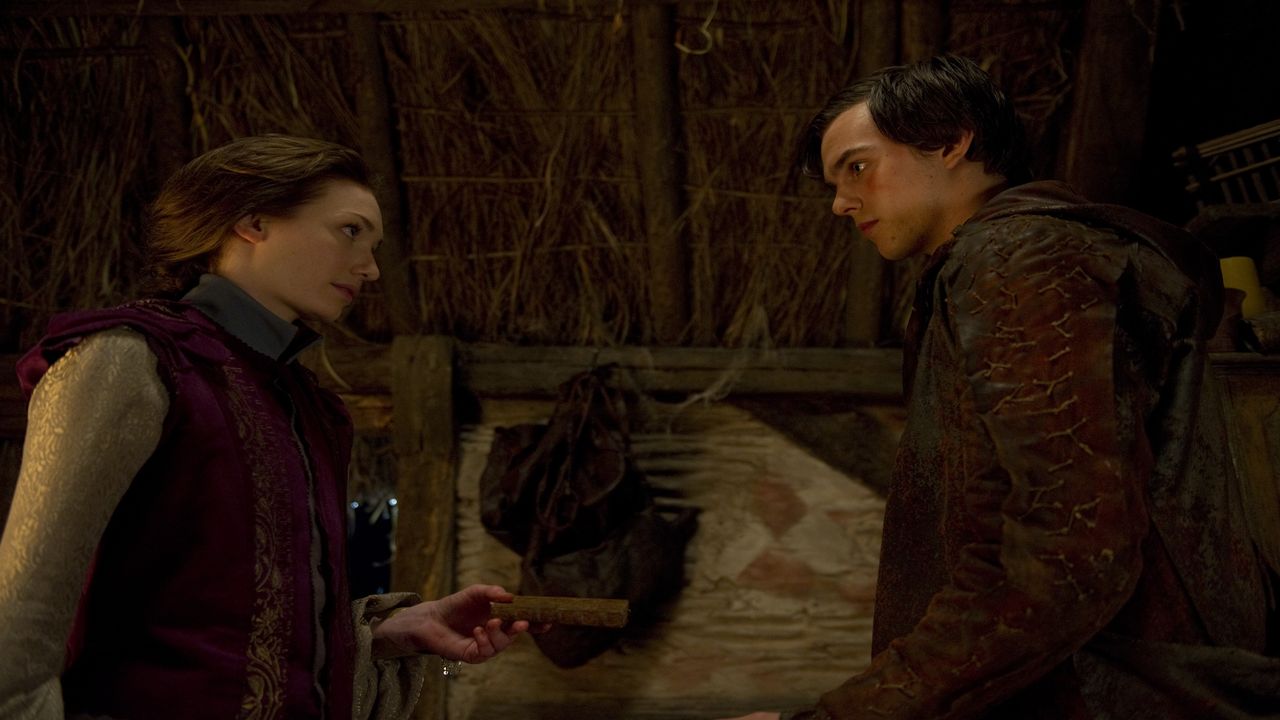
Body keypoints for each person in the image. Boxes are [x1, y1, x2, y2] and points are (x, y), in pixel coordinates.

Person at [723, 55, 1279, 719]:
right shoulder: (1004, 260)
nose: (841, 202)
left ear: (951, 142)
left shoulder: (1023, 259)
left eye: (858, 167)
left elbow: (1064, 556)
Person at [0, 135, 535, 720]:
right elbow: (18, 632)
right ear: (252, 222)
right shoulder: (130, 361)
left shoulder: (312, 410)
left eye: (374, 245)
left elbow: (247, 639)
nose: (371, 268)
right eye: (350, 231)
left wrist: (394, 633)